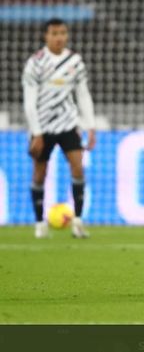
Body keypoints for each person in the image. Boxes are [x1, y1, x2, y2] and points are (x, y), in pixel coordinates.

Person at [22, 18, 96, 239]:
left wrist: (90, 126)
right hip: (42, 127)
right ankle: (39, 224)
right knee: (39, 172)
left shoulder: (75, 61)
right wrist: (36, 132)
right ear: (46, 36)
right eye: (54, 33)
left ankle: (78, 222)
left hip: (68, 124)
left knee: (78, 168)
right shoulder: (35, 63)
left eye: (63, 33)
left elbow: (82, 95)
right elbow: (29, 100)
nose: (59, 37)